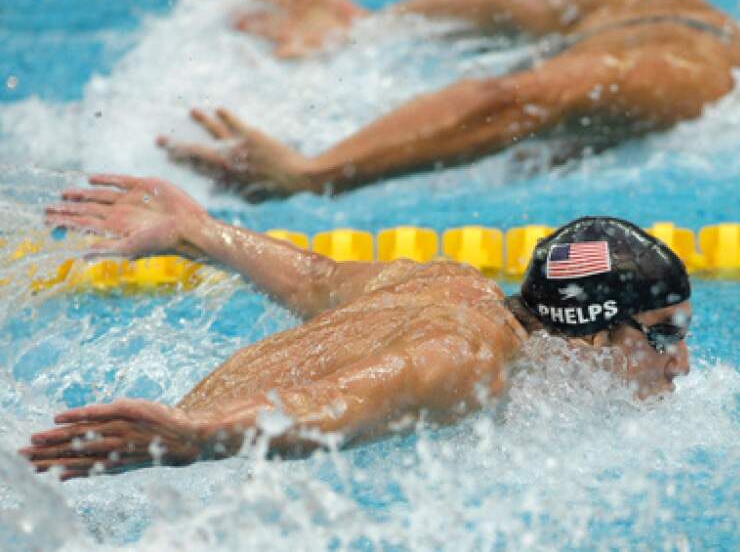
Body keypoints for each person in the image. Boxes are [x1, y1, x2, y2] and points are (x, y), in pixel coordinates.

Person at [19, 174, 693, 479]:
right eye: (664, 333)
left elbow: (313, 278)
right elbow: (321, 408)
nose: (681, 361)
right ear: (594, 334)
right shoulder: (467, 360)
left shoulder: (446, 283)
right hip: (145, 469)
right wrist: (195, 438)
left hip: (133, 448)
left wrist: (198, 232)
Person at [156, 0, 740, 201]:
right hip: (340, 134)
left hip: (349, 92)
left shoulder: (694, 12)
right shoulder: (691, 85)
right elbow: (507, 99)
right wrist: (316, 172)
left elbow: (528, 3)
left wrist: (373, 27)